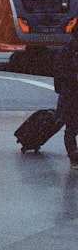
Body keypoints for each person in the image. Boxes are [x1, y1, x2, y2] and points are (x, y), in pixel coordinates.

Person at [54, 26, 78, 168]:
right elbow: (60, 74)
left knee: (71, 127)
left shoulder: (65, 52)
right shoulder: (66, 53)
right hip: (70, 95)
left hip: (68, 94)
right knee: (71, 127)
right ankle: (73, 156)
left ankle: (74, 157)